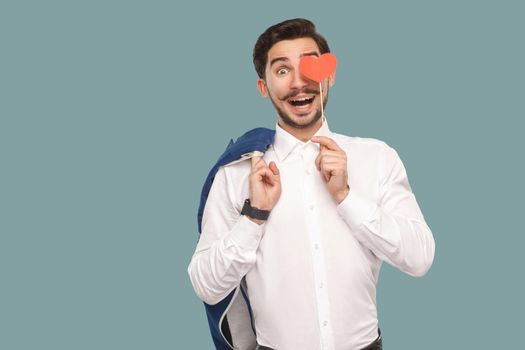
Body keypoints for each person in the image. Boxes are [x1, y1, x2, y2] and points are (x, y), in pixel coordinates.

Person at [188, 18, 435, 350]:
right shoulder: (237, 173)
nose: (299, 82)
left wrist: (347, 198)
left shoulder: (377, 158)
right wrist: (254, 215)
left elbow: (420, 258)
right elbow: (206, 285)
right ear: (264, 87)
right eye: (282, 70)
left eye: (310, 66)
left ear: (329, 75)